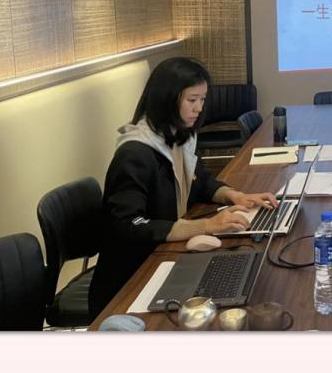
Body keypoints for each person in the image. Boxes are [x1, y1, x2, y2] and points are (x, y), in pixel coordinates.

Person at [88, 57, 280, 318]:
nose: (199, 108)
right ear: (166, 99)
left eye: (202, 99)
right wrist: (206, 225)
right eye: (192, 100)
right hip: (129, 281)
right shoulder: (135, 154)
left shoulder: (177, 137)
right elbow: (128, 225)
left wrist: (235, 196)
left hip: (164, 257)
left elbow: (200, 181)